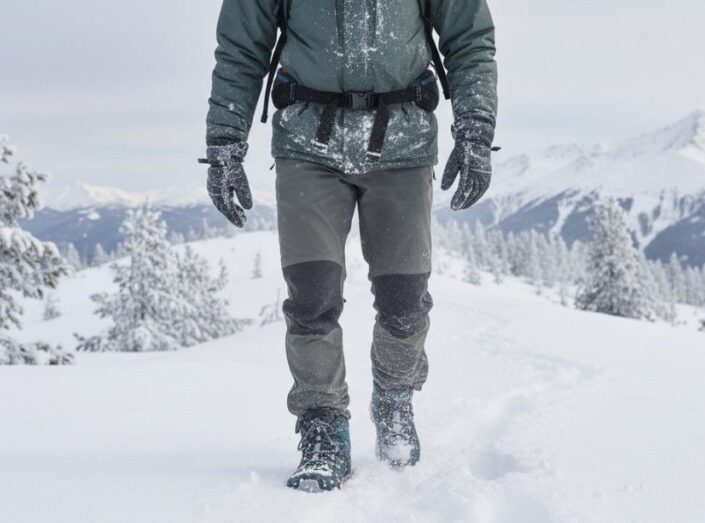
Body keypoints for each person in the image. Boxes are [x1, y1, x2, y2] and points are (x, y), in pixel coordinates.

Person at [203, 0, 498, 492]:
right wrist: (224, 142)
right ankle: (323, 427)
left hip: (402, 142)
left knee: (405, 299)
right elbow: (240, 47)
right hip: (306, 144)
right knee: (312, 296)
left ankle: (394, 397)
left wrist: (476, 129)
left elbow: (469, 37)